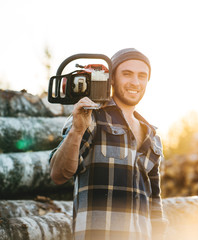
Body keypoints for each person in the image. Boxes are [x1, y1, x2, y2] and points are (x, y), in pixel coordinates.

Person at [49, 48, 167, 240]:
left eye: (142, 76)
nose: (135, 82)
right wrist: (77, 130)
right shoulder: (90, 117)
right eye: (127, 74)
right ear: (111, 78)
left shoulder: (152, 136)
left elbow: (155, 203)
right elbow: (58, 174)